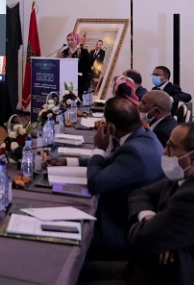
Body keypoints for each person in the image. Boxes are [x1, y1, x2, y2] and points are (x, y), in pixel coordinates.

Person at [49, 97, 164, 260]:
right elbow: (112, 162)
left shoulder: (134, 152)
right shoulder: (145, 136)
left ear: (111, 127)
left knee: (59, 235)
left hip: (119, 230)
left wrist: (99, 148)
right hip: (125, 212)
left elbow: (95, 184)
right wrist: (69, 161)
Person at [125, 122, 194, 285]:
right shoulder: (180, 176)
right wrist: (149, 217)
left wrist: (158, 233)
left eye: (171, 147)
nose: (164, 151)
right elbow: (140, 193)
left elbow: (139, 238)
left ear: (192, 158)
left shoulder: (190, 197)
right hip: (143, 269)